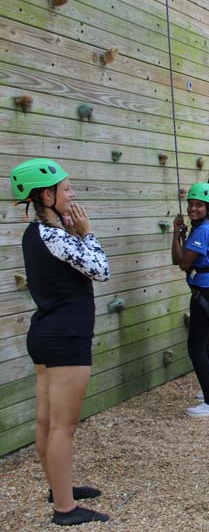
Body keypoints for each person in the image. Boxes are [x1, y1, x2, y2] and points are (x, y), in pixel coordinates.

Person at [10, 159, 110, 526]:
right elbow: (101, 270)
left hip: (46, 336)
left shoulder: (37, 234)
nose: (73, 194)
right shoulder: (56, 237)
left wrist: (74, 233)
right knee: (62, 427)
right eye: (66, 189)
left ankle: (59, 488)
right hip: (66, 338)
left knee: (46, 422)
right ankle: (65, 509)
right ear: (46, 195)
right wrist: (87, 233)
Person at [172, 182, 209, 418]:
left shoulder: (204, 231)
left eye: (199, 205)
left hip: (206, 291)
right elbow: (178, 259)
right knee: (203, 344)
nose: (193, 209)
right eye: (191, 204)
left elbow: (183, 263)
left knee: (195, 348)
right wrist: (178, 233)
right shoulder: (203, 229)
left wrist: (176, 234)